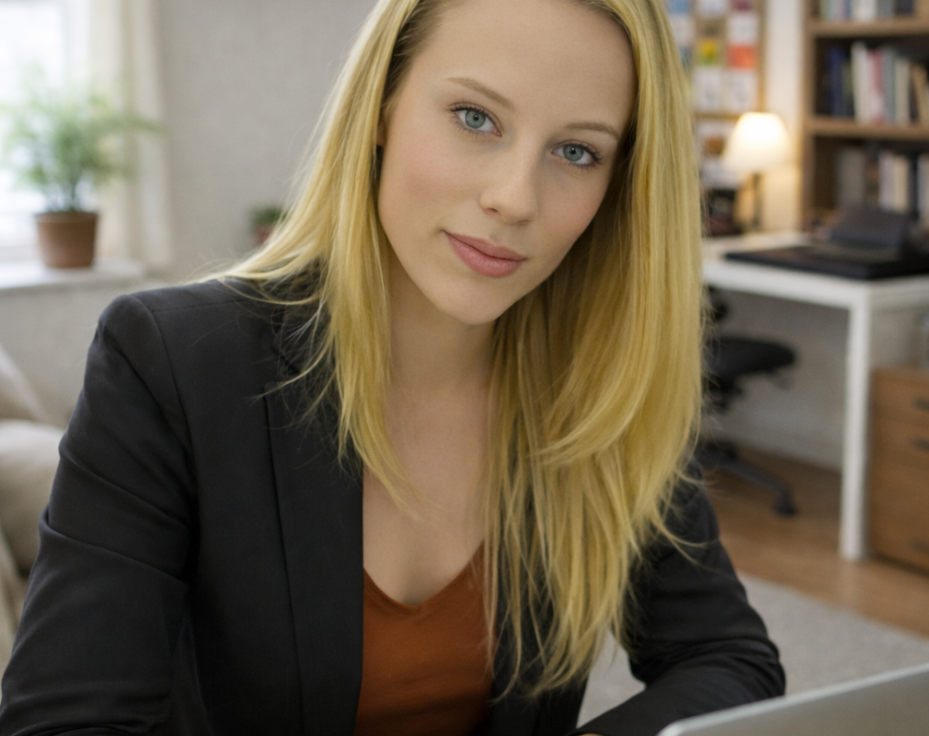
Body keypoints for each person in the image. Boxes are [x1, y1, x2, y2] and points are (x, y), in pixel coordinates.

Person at [0, 0, 785, 734]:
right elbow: (68, 720)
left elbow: (728, 659)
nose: (515, 198)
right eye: (474, 118)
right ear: (382, 106)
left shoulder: (598, 390)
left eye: (576, 151)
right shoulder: (170, 360)